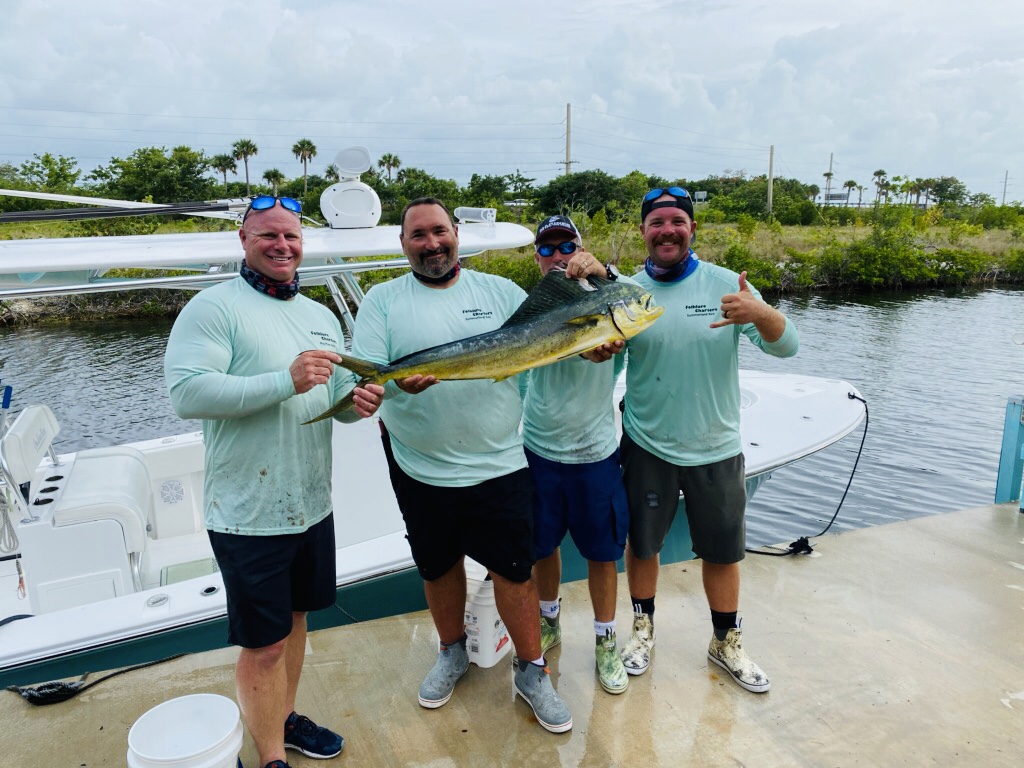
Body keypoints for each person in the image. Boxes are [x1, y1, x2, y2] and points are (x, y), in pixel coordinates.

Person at [164, 195, 385, 768]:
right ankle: (267, 759)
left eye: (291, 236)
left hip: (310, 503)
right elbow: (188, 394)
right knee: (263, 647)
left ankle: (282, 719)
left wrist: (353, 403)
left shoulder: (319, 315)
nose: (282, 246)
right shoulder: (213, 308)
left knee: (295, 624)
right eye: (268, 236)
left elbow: (330, 399)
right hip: (247, 511)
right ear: (244, 240)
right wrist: (284, 381)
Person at [351, 197, 572, 734]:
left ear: (457, 234)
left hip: (499, 463)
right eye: (418, 235)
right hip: (419, 466)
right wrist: (372, 392)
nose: (432, 244)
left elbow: (550, 342)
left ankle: (531, 669)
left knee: (515, 573)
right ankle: (452, 651)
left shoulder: (499, 292)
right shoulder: (381, 301)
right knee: (437, 566)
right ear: (403, 244)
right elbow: (366, 378)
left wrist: (589, 346)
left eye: (440, 232)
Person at [611, 187, 798, 693]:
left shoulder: (726, 284)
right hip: (647, 442)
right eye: (657, 222)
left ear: (692, 228)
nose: (667, 230)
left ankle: (725, 641)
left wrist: (758, 312)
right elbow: (605, 368)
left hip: (715, 445)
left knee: (723, 553)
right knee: (643, 545)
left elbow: (788, 345)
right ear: (644, 232)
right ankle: (642, 629)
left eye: (677, 221)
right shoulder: (626, 292)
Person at [522, 214, 631, 695]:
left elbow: (637, 311)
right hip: (539, 448)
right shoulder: (530, 304)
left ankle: (607, 640)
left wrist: (605, 276)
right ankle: (549, 621)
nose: (557, 256)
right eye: (547, 249)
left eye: (566, 246)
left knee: (603, 554)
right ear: (536, 257)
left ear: (581, 249)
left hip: (595, 453)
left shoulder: (606, 297)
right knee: (541, 548)